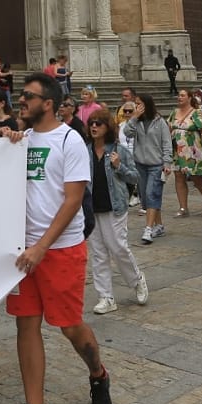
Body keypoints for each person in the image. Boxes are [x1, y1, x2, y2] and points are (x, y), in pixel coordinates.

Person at [0, 73, 111, 404]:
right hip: (24, 251)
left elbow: (73, 200)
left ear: (48, 103)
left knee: (69, 326)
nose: (21, 101)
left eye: (28, 96)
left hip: (60, 250)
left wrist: (42, 247)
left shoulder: (69, 140)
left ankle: (98, 374)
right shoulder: (22, 140)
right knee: (26, 325)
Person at [86, 107, 147, 316]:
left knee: (118, 247)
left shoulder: (119, 150)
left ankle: (136, 279)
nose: (94, 126)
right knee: (98, 253)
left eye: (98, 123)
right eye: (91, 123)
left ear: (107, 127)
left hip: (115, 206)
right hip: (92, 207)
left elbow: (135, 177)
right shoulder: (84, 150)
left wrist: (119, 166)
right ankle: (106, 297)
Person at [166, 89, 202, 227]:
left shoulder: (196, 112)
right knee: (178, 176)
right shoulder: (174, 112)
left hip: (193, 150)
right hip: (177, 149)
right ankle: (183, 207)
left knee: (196, 178)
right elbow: (169, 128)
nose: (179, 97)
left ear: (189, 97)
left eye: (182, 95)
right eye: (179, 95)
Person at [130, 93, 172, 245]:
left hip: (156, 164)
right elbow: (127, 132)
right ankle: (158, 225)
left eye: (139, 103)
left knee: (151, 194)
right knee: (146, 197)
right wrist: (134, 118)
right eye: (136, 104)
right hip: (140, 163)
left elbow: (166, 143)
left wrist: (167, 162)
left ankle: (148, 228)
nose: (137, 106)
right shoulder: (136, 121)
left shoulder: (160, 122)